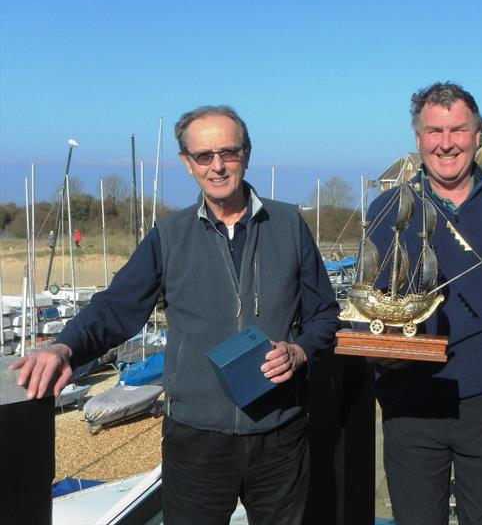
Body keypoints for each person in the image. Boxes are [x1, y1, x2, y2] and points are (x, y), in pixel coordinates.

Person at [11, 105, 340, 525]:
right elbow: (115, 307)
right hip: (195, 440)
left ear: (247, 154)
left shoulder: (291, 224)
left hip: (280, 435)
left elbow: (324, 314)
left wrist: (300, 352)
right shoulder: (168, 236)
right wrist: (63, 347)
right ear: (187, 164)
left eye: (228, 153)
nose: (217, 166)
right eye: (204, 156)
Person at [366, 82, 482, 525]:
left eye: (458, 130)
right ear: (419, 138)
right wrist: (383, 360)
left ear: (477, 136)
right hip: (411, 403)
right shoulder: (389, 209)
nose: (446, 143)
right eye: (434, 131)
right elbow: (370, 304)